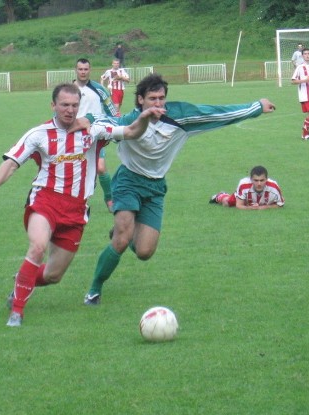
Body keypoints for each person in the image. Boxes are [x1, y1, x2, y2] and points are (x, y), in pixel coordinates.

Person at [0, 83, 164, 327]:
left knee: (53, 275)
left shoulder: (93, 131)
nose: (70, 110)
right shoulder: (39, 134)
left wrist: (145, 117)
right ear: (53, 105)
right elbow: (11, 163)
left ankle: (23, 280)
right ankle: (17, 311)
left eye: (74, 105)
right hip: (45, 202)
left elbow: (131, 132)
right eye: (64, 105)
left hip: (76, 211)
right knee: (38, 246)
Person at [83, 73, 276, 306]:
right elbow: (99, 122)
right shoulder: (129, 121)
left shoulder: (181, 117)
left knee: (144, 252)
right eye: (152, 98)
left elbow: (218, 113)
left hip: (156, 187)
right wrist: (85, 119)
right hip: (128, 182)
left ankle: (121, 235)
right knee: (123, 238)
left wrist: (256, 107)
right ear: (140, 100)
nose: (158, 103)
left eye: (161, 98)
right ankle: (94, 290)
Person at [74, 58, 117, 212]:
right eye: (80, 69)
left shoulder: (99, 89)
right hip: (75, 137)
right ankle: (81, 201)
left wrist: (111, 128)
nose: (83, 72)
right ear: (76, 70)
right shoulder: (69, 90)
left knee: (100, 167)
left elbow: (112, 111)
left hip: (96, 137)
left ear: (90, 70)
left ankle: (109, 198)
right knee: (79, 170)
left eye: (86, 69)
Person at [209, 166, 284, 209]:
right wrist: (252, 208)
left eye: (262, 180)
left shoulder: (274, 187)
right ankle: (220, 195)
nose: (259, 183)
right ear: (251, 179)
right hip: (245, 199)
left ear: (266, 179)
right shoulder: (244, 184)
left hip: (263, 202)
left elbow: (280, 204)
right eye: (256, 180)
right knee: (227, 203)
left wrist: (264, 207)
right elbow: (239, 205)